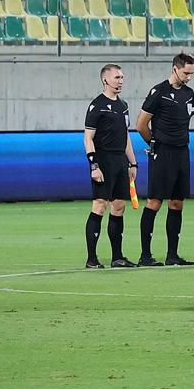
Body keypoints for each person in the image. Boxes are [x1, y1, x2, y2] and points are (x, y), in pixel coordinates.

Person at [136, 52, 194, 266]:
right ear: (175, 69)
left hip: (182, 151)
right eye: (186, 73)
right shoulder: (159, 92)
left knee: (177, 202)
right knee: (155, 201)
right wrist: (154, 143)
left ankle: (173, 255)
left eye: (191, 73)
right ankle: (145, 255)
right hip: (163, 152)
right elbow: (141, 124)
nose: (189, 77)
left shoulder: (189, 93)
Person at [83, 63, 135, 269]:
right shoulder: (97, 105)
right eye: (117, 77)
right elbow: (88, 138)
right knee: (100, 205)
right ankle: (91, 259)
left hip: (120, 161)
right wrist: (94, 165)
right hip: (103, 161)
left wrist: (133, 162)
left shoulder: (123, 106)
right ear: (105, 79)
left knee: (119, 206)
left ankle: (117, 257)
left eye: (122, 77)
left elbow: (126, 136)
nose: (121, 81)